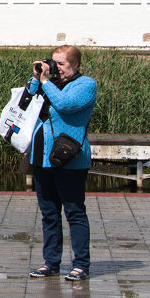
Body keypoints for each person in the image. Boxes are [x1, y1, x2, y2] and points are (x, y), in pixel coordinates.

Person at [27, 44, 97, 282]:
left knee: (74, 211)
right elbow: (25, 103)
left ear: (75, 64)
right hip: (41, 155)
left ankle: (81, 264)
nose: (56, 68)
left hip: (70, 158)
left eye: (61, 64)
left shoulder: (86, 84)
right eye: (53, 62)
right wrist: (37, 78)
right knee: (49, 213)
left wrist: (46, 83)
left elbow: (66, 105)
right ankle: (51, 262)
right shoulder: (49, 83)